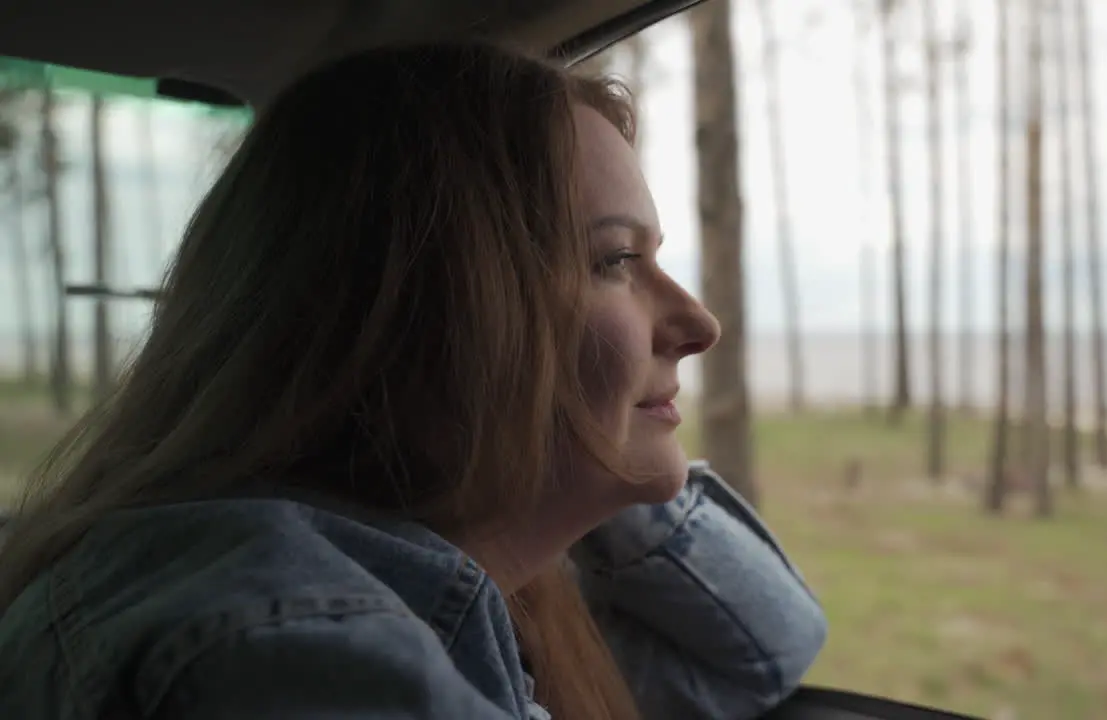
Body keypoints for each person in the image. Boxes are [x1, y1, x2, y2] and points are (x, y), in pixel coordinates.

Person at [0, 43, 826, 719]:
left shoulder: (466, 591)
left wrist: (557, 466)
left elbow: (760, 657)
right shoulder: (283, 649)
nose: (698, 324)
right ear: (424, 314)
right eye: (615, 260)